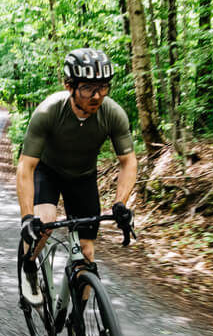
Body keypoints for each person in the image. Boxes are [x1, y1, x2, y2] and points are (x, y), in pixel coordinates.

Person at [15, 47, 138, 303]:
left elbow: (128, 162)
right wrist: (27, 216)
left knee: (87, 253)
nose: (96, 96)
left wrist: (120, 204)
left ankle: (80, 323)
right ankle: (28, 267)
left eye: (103, 87)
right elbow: (26, 167)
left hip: (82, 177)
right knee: (45, 222)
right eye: (87, 88)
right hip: (48, 171)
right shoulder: (49, 112)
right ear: (69, 86)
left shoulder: (113, 114)